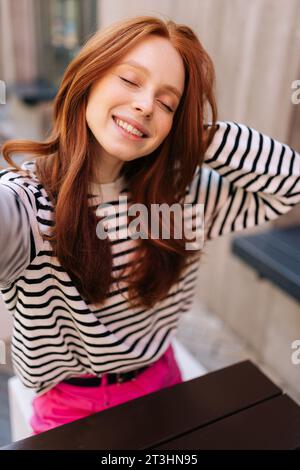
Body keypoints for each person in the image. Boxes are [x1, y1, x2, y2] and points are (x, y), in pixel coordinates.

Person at [0, 16, 299, 436]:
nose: (145, 105)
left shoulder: (184, 198)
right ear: (90, 78)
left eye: (167, 103)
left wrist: (200, 136)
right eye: (129, 79)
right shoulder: (28, 204)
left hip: (164, 382)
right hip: (72, 411)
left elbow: (290, 184)